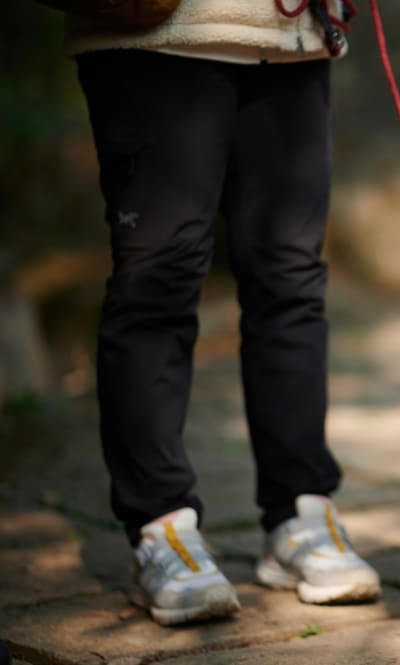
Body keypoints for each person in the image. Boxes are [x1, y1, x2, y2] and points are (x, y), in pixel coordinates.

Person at [67, 0, 383, 625]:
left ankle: (300, 510)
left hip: (292, 34)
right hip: (159, 35)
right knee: (158, 281)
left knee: (291, 278)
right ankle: (160, 526)